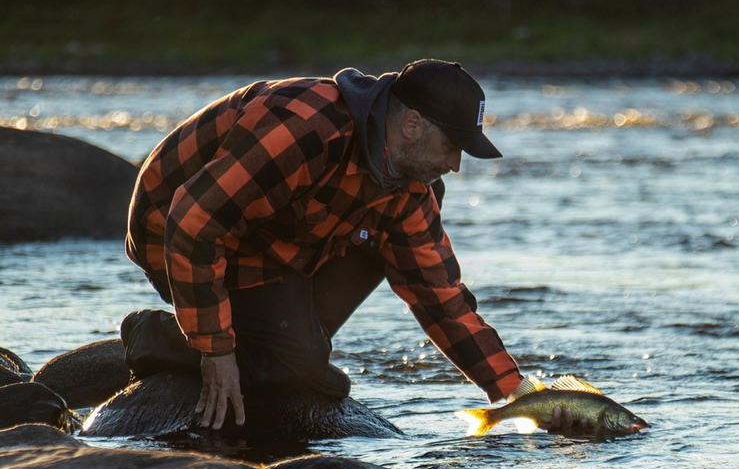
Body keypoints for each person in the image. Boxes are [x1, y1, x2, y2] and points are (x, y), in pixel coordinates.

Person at [125, 59, 580, 433]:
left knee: (302, 355)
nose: (456, 165)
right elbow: (194, 221)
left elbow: (437, 294)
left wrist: (518, 394)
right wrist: (216, 351)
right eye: (451, 147)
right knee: (290, 363)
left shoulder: (407, 187)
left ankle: (287, 345)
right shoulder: (306, 128)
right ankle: (156, 334)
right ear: (412, 125)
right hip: (171, 229)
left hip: (271, 239)